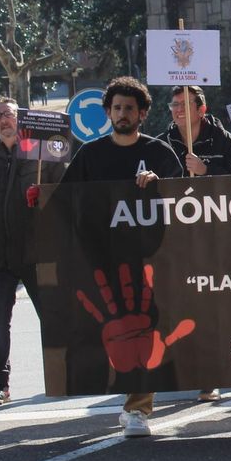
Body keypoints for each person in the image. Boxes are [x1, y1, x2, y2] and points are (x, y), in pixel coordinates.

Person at [61, 76, 185, 437]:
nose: (122, 114)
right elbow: (65, 199)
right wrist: (41, 197)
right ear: (107, 112)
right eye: (116, 108)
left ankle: (137, 408)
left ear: (142, 113)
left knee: (142, 330)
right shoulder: (90, 154)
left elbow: (184, 198)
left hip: (149, 263)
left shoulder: (160, 153)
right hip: (100, 261)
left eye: (129, 108)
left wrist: (159, 181)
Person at [0, 97, 66, 407]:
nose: (4, 120)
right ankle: (0, 385)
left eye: (9, 114)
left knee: (52, 316)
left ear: (21, 120)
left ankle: (61, 377)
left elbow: (66, 193)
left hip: (38, 250)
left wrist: (44, 195)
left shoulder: (42, 153)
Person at [160, 86, 231, 403]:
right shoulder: (163, 141)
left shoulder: (222, 138)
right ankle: (200, 370)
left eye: (184, 104)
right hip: (181, 239)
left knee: (220, 304)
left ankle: (222, 367)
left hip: (219, 236)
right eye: (173, 104)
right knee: (190, 304)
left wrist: (207, 170)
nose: (178, 110)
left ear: (202, 108)